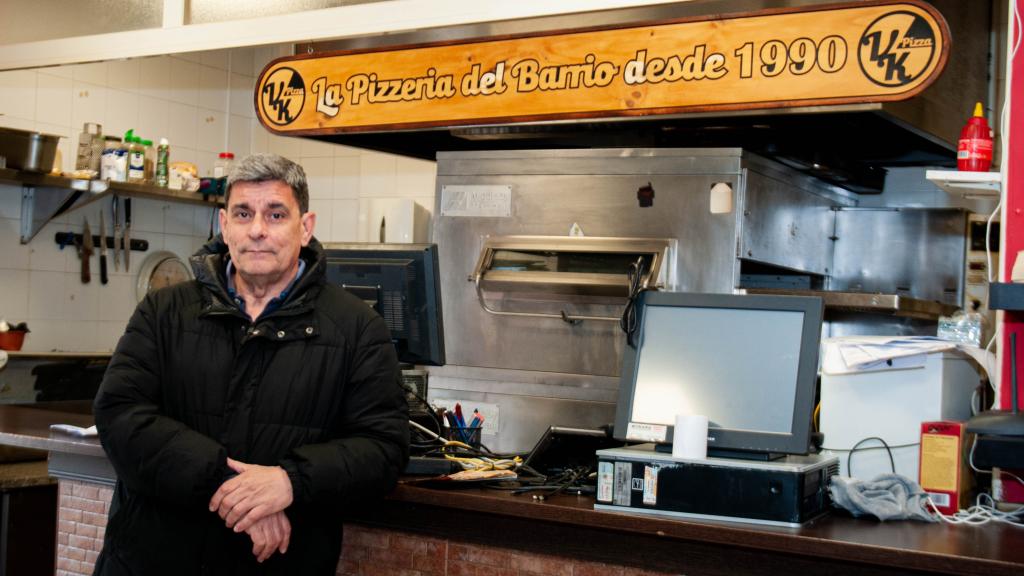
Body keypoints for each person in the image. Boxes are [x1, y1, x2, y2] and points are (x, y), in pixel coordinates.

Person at [92, 153, 409, 575]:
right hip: (150, 560)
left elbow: (383, 448)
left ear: (306, 227)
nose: (257, 230)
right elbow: (120, 416)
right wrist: (227, 484)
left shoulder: (357, 328)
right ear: (224, 226)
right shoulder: (164, 312)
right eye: (243, 213)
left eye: (276, 214)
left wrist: (289, 482)